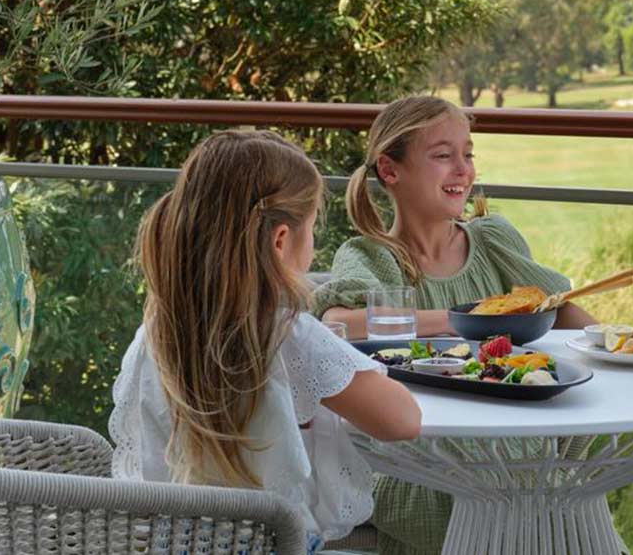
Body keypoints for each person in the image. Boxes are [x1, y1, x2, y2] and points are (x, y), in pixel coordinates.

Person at [110, 129, 421, 554]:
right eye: (312, 230)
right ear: (280, 241)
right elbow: (401, 421)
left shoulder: (154, 334)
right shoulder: (288, 333)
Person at [312, 94, 597, 554]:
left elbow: (559, 308)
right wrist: (464, 319)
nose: (462, 169)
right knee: (537, 509)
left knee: (562, 496)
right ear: (390, 170)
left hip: (513, 448)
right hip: (418, 462)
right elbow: (339, 320)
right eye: (443, 156)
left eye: (467, 154)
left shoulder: (492, 240)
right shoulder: (371, 256)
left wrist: (612, 342)